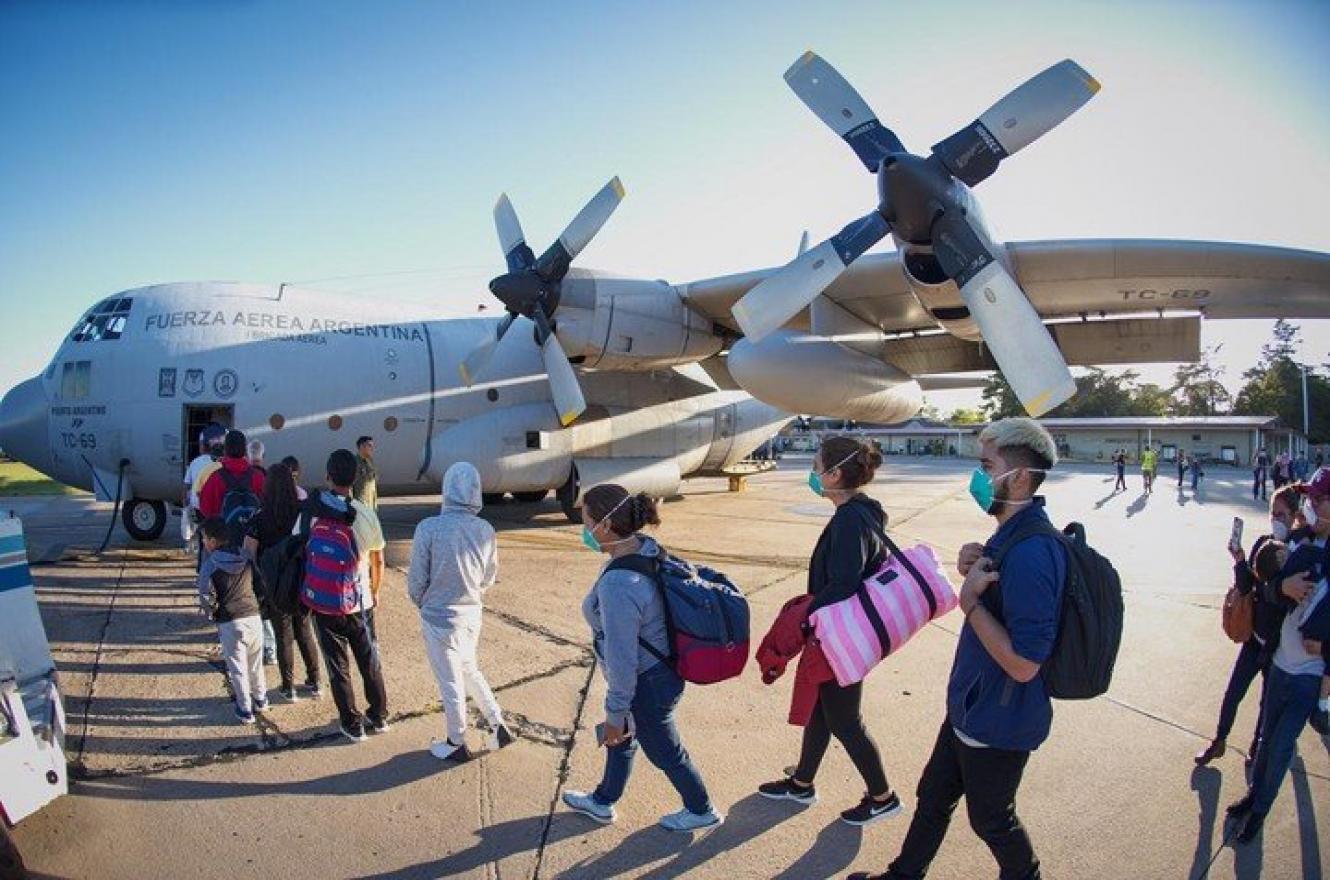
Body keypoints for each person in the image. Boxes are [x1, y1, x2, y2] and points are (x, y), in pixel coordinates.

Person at [851, 418, 1066, 880]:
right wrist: (976, 565)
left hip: (999, 719)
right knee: (933, 797)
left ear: (1021, 478)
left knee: (991, 819)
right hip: (971, 706)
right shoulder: (1010, 536)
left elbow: (1026, 664)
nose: (978, 477)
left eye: (987, 466)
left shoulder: (1032, 552)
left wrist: (970, 603)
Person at [757, 436, 903, 827]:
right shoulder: (861, 513)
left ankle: (882, 796)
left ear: (835, 474)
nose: (813, 473)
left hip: (840, 633)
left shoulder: (851, 518)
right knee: (823, 709)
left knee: (845, 720)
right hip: (840, 630)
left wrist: (806, 616)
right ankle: (802, 783)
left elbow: (844, 581)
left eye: (816, 465)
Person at [561, 484, 724, 833]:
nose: (584, 527)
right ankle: (603, 801)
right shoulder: (646, 550)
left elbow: (622, 658)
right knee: (620, 740)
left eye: (586, 519)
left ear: (604, 525)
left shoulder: (619, 583)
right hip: (660, 669)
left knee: (665, 751)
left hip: (646, 682)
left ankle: (701, 808)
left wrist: (616, 710)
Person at [1228, 469, 1330, 844]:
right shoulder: (1300, 541)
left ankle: (1259, 813)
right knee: (1266, 740)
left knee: (1283, 745)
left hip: (1308, 677)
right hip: (1279, 664)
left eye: (1319, 499)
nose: (1311, 506)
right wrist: (1280, 585)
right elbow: (1262, 590)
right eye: (1310, 498)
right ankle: (1253, 796)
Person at [408, 462, 513, 762]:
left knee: (450, 680)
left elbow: (417, 579)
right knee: (469, 668)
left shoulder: (428, 528)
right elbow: (488, 577)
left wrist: (423, 601)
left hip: (439, 618)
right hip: (471, 615)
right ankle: (497, 723)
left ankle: (456, 740)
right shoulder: (485, 530)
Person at [1195, 484, 1303, 768]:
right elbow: (1248, 588)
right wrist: (1240, 560)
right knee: (1234, 691)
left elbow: (1285, 602)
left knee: (1266, 703)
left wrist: (1274, 586)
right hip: (1255, 637)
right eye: (1272, 513)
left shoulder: (1298, 553)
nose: (1275, 520)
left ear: (1294, 515)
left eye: (1281, 514)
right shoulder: (1263, 543)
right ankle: (1219, 741)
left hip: (1278, 647)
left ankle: (1257, 746)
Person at [301, 449, 388, 742]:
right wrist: (374, 591)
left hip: (326, 602)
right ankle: (378, 715)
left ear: (328, 476)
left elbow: (303, 551)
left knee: (338, 666)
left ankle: (352, 724)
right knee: (368, 660)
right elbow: (377, 560)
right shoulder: (365, 513)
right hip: (360, 601)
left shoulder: (314, 513)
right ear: (355, 478)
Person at [244, 462, 322, 702]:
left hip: (275, 584)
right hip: (301, 578)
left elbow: (249, 551)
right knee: (305, 631)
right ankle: (315, 680)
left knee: (283, 635)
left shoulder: (260, 517)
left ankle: (288, 687)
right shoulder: (302, 511)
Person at [196, 517, 267, 724]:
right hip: (253, 617)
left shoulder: (210, 565)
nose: (203, 543)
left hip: (230, 621)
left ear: (211, 541)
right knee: (255, 664)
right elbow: (260, 583)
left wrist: (212, 614)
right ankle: (261, 699)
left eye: (204, 539)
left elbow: (205, 595)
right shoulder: (245, 556)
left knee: (238, 669)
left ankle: (245, 709)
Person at [182, 424, 225, 567]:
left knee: (203, 540)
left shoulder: (195, 463)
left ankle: (202, 567)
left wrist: (186, 507)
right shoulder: (223, 464)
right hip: (218, 509)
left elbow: (187, 487)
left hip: (200, 509)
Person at [352, 436, 385, 607]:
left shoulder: (370, 462)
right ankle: (364, 579)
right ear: (360, 447)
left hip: (371, 509)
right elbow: (352, 487)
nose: (371, 448)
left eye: (372, 445)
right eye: (368, 445)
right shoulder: (356, 463)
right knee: (367, 549)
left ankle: (371, 579)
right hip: (360, 510)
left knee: (373, 547)